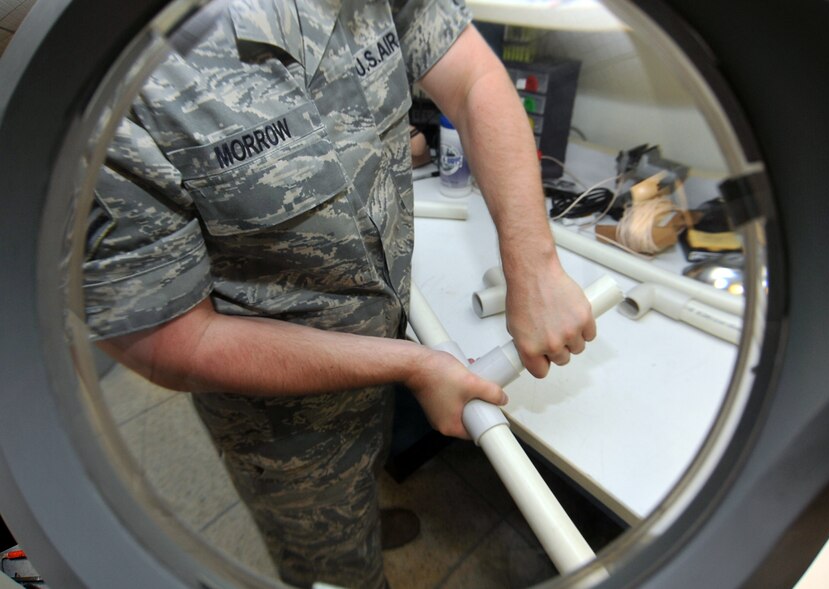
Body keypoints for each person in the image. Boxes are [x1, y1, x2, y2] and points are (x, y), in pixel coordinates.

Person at [83, 0, 596, 587]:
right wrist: (413, 365)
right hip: (282, 420)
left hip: (383, 349)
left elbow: (475, 78)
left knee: (365, 479)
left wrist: (535, 267)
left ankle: (364, 524)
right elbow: (168, 339)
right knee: (332, 564)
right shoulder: (110, 82)